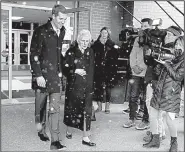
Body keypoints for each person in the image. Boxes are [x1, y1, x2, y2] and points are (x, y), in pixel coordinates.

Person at [30, 4, 67, 150]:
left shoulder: (62, 31)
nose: (62, 22)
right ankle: (41, 131)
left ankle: (55, 141)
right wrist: (38, 75)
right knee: (40, 108)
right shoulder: (41, 31)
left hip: (56, 77)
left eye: (64, 19)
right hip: (42, 77)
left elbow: (57, 55)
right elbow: (34, 55)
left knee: (55, 109)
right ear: (53, 15)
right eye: (60, 19)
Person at [143, 30, 183, 152]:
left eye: (180, 45)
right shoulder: (173, 56)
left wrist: (166, 64)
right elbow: (159, 72)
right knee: (153, 114)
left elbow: (177, 77)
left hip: (171, 92)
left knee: (169, 120)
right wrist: (159, 64)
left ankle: (174, 143)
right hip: (160, 89)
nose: (177, 47)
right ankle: (155, 140)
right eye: (176, 44)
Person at [63, 30, 96, 147]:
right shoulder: (71, 52)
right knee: (72, 109)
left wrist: (92, 87)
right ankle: (69, 130)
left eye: (87, 41)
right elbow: (64, 68)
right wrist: (74, 70)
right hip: (74, 86)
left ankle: (85, 137)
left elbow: (92, 70)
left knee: (87, 111)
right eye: (83, 41)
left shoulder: (90, 51)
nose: (85, 43)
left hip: (87, 86)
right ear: (78, 40)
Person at [123, 18, 152, 128]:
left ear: (150, 27)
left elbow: (150, 58)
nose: (142, 28)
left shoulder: (152, 40)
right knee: (133, 96)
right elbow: (132, 54)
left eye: (145, 26)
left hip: (147, 73)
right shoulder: (137, 40)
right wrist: (133, 66)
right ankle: (132, 119)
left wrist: (141, 67)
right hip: (136, 73)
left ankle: (146, 120)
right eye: (142, 26)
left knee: (145, 98)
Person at [92, 27, 119, 114]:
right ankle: (99, 106)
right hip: (98, 69)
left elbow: (115, 57)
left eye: (106, 33)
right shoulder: (96, 44)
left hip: (109, 69)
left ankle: (107, 106)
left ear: (108, 34)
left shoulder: (111, 44)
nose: (104, 34)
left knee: (108, 87)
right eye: (103, 33)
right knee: (98, 87)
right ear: (100, 33)